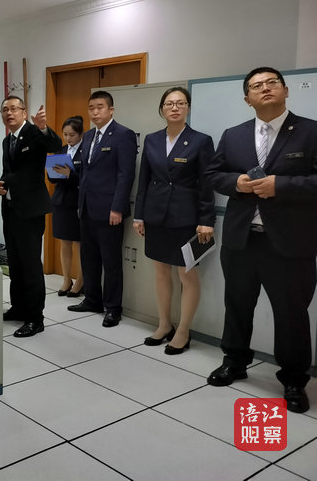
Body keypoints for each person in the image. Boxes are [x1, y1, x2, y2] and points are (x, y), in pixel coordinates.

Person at [204, 66, 317, 413]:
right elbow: (213, 174)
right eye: (256, 86)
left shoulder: (310, 132)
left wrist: (281, 186)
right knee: (237, 305)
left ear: (285, 91)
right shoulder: (233, 135)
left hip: (289, 243)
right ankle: (234, 362)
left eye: (272, 83)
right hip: (241, 240)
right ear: (247, 99)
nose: (265, 88)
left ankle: (294, 380)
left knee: (291, 314)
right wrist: (236, 183)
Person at [133, 87, 215, 354]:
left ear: (188, 108)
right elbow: (144, 180)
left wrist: (207, 219)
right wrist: (139, 215)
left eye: (180, 103)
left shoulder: (201, 141)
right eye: (169, 103)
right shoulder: (152, 139)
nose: (175, 107)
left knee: (187, 274)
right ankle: (164, 324)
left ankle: (183, 331)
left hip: (187, 218)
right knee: (160, 271)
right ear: (162, 109)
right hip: (155, 215)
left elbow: (207, 185)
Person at [68, 90, 137, 328]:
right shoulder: (88, 136)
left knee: (111, 261)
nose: (95, 112)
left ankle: (113, 307)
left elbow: (126, 175)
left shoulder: (123, 135)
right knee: (89, 258)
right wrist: (80, 204)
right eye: (91, 108)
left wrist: (117, 207)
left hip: (110, 210)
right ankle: (92, 299)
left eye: (100, 107)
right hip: (87, 208)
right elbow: (85, 173)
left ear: (111, 110)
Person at [0, 96, 62, 338]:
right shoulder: (7, 140)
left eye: (14, 109)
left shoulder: (34, 133)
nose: (9, 113)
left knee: (31, 264)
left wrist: (43, 127)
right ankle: (19, 307)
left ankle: (35, 318)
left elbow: (55, 146)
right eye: (5, 110)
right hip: (10, 209)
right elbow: (8, 172)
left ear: (24, 112)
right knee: (15, 263)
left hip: (30, 211)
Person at [49, 115, 85, 297]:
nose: (68, 138)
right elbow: (52, 178)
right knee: (64, 242)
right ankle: (66, 279)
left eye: (72, 135)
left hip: (77, 201)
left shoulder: (86, 151)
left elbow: (86, 179)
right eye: (65, 134)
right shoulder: (61, 150)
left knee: (79, 243)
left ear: (80, 134)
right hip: (61, 201)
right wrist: (53, 172)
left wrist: (70, 174)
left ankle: (80, 281)